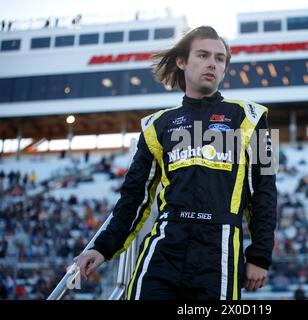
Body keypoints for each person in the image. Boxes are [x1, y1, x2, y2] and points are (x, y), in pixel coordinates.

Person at [75, 26, 277, 300]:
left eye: (220, 58)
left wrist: (260, 256)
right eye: (203, 55)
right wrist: (102, 247)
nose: (212, 64)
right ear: (181, 61)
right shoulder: (155, 124)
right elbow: (134, 196)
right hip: (164, 247)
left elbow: (265, 192)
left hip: (220, 251)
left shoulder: (255, 117)